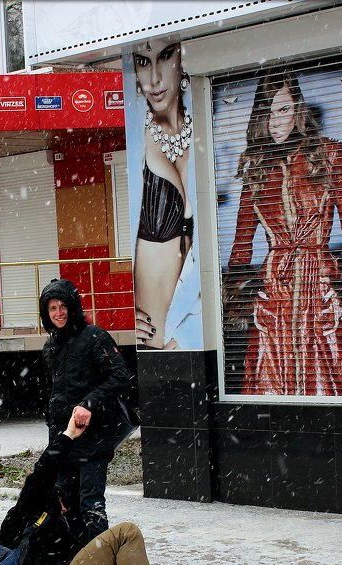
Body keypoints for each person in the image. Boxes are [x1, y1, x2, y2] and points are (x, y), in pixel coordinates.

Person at [0, 406, 281, 565]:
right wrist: (68, 434)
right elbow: (40, 475)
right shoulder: (23, 515)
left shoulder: (68, 520)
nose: (66, 499)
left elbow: (94, 555)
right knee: (126, 533)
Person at [225, 70, 342, 396]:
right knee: (272, 390)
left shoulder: (329, 154)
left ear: (298, 110)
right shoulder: (256, 168)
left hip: (320, 285)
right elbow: (241, 244)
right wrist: (246, 298)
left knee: (334, 387)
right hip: (274, 294)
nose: (275, 121)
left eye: (283, 109)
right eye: (268, 111)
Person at [39, 278, 133, 539]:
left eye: (63, 306)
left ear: (72, 307)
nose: (59, 313)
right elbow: (54, 392)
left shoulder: (94, 338)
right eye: (52, 309)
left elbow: (121, 376)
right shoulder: (50, 347)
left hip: (94, 439)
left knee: (92, 505)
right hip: (64, 440)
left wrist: (88, 403)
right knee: (65, 506)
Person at [131, 38, 200, 350]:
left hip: (194, 335)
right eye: (143, 62)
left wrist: (190, 332)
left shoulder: (207, 129)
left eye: (165, 56)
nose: (154, 78)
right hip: (154, 342)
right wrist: (128, 309)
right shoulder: (137, 140)